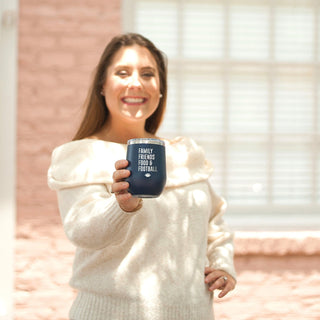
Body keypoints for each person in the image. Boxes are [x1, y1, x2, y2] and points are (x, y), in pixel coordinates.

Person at [48, 33, 236, 320]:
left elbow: (213, 221)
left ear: (160, 90)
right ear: (102, 85)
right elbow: (82, 232)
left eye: (148, 74)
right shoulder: (80, 156)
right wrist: (121, 206)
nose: (136, 82)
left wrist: (222, 264)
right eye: (122, 72)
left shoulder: (185, 154)